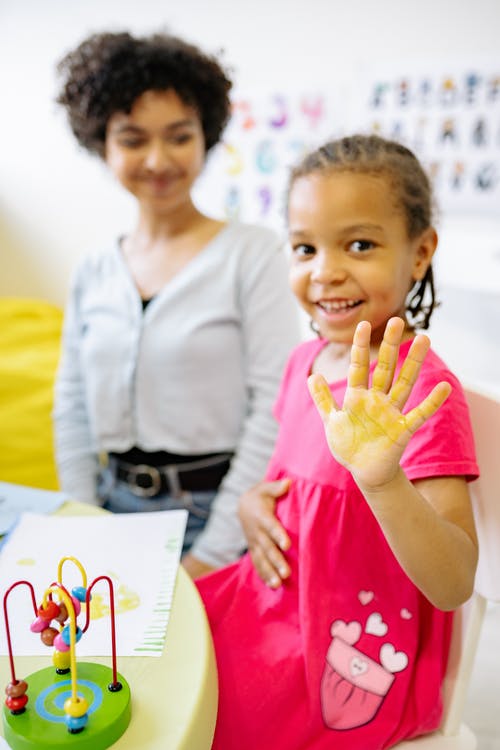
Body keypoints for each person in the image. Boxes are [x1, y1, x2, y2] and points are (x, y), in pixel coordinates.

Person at [196, 134, 479, 749]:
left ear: (420, 252)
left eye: (359, 244)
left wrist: (383, 479)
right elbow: (285, 483)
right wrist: (253, 505)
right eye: (304, 247)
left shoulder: (426, 392)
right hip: (271, 601)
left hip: (345, 644)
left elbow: (454, 582)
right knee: (160, 655)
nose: (324, 270)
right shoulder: (305, 360)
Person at [52, 31, 300, 577]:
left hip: (217, 514)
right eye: (134, 139)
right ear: (102, 144)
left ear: (205, 138)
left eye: (178, 136)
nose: (158, 159)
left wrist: (212, 552)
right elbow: (70, 403)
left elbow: (275, 409)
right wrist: (82, 519)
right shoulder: (94, 267)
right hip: (107, 511)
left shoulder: (253, 254)